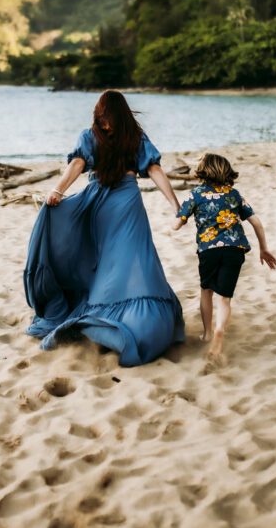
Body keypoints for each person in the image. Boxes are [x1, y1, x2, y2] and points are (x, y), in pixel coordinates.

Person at [23, 90, 185, 367]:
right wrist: (57, 191)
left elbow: (155, 170)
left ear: (113, 116)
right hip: (101, 204)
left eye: (106, 117)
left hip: (125, 202)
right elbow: (77, 164)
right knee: (108, 261)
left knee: (136, 258)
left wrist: (175, 205)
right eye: (101, 118)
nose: (104, 122)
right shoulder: (101, 136)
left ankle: (133, 321)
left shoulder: (132, 137)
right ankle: (112, 318)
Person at [173, 152, 276, 363]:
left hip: (209, 251)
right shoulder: (234, 194)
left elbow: (177, 224)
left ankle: (208, 334)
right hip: (235, 250)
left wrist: (177, 220)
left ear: (202, 172)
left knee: (206, 291)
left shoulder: (196, 195)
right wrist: (263, 249)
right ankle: (220, 329)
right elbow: (256, 222)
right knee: (225, 298)